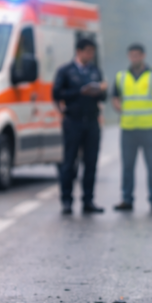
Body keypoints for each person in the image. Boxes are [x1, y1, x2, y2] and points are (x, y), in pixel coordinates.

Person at [53, 37, 106, 214]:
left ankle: (88, 200)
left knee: (91, 163)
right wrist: (79, 91)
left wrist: (100, 91)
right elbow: (57, 93)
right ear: (79, 51)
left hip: (91, 121)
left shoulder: (95, 71)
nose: (91, 55)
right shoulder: (66, 71)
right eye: (88, 51)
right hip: (73, 121)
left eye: (93, 52)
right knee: (69, 162)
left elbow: (102, 97)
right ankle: (67, 201)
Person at [112, 44, 152, 212]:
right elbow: (115, 98)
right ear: (129, 56)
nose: (134, 58)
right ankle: (127, 199)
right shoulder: (121, 76)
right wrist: (121, 108)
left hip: (150, 128)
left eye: (137, 55)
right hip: (128, 129)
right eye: (132, 55)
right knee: (127, 166)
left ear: (143, 56)